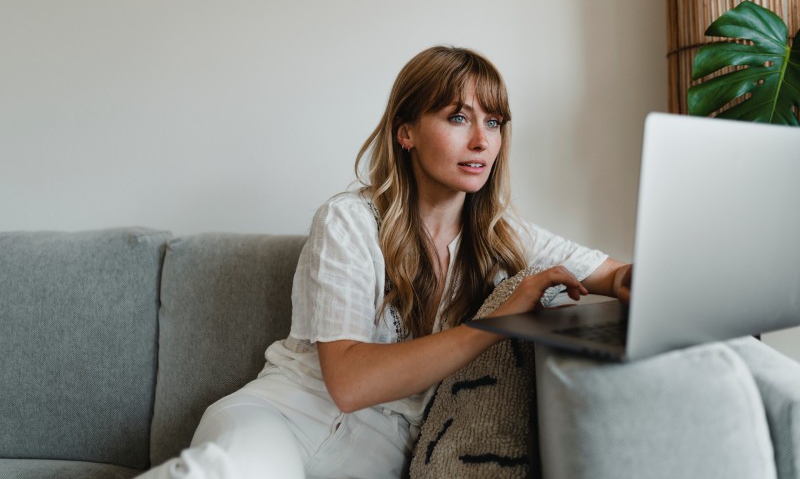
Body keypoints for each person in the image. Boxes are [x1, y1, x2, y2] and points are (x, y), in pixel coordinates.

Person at [138, 45, 632, 479]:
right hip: (284, 418)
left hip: (382, 454)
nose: (482, 140)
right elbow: (351, 384)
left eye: (494, 121)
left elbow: (610, 273)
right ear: (406, 134)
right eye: (458, 117)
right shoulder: (348, 221)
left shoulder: (504, 236)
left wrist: (637, 280)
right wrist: (494, 326)